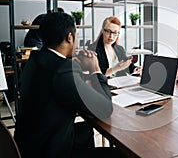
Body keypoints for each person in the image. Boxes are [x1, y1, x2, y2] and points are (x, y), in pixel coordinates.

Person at [14, 12, 123, 157]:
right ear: (69, 37)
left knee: (85, 130)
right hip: (50, 151)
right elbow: (104, 108)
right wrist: (95, 70)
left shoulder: (34, 60)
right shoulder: (63, 70)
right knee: (121, 153)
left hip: (28, 145)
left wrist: (74, 66)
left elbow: (58, 84)